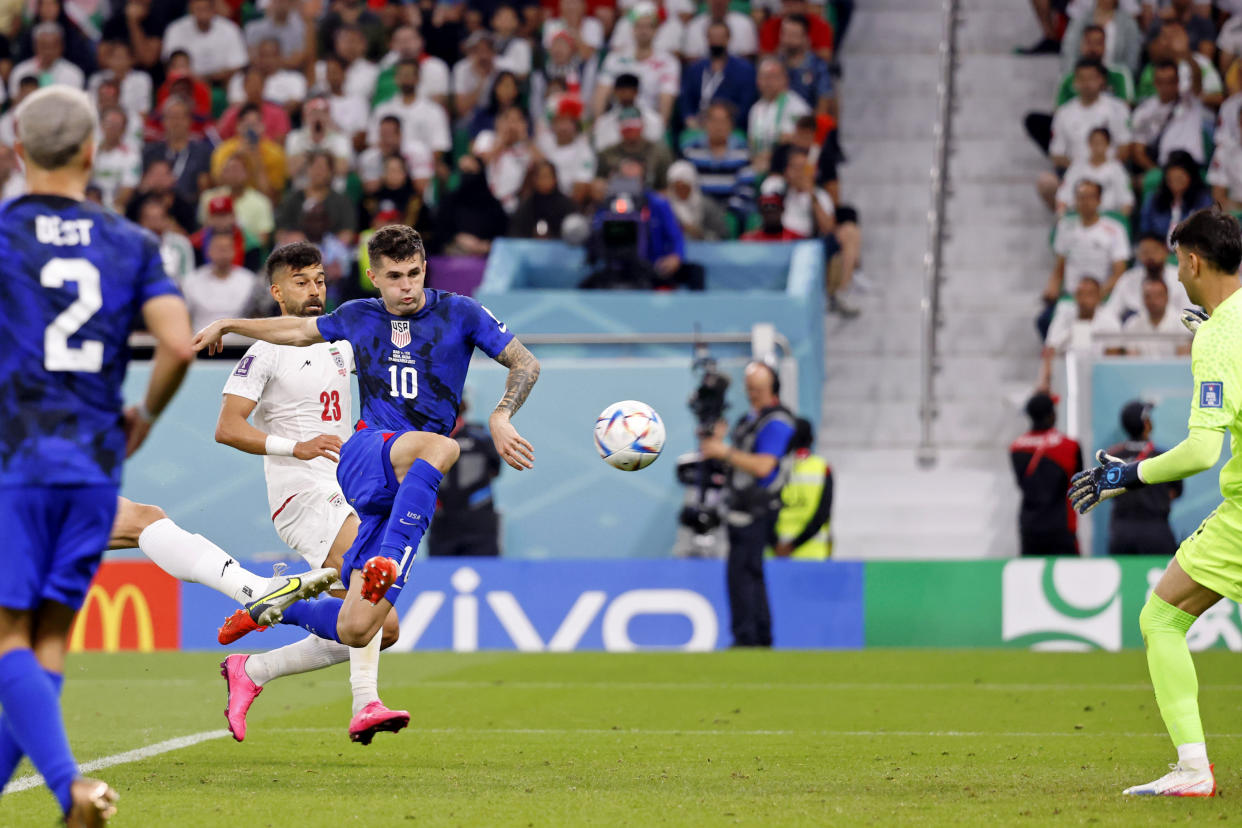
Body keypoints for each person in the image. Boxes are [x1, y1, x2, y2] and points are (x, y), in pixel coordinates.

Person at [191, 226, 541, 677]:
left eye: (414, 273)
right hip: (366, 452)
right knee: (441, 445)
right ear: (373, 277)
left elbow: (525, 362)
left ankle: (270, 612)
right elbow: (297, 330)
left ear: (425, 268)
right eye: (395, 276)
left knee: (367, 626)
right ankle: (388, 565)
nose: (407, 285)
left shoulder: (462, 313)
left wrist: (501, 415)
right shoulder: (358, 317)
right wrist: (229, 323)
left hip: (407, 476)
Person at [0, 85, 196, 825]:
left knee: (8, 637)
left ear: (18, 152)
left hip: (14, 462)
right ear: (90, 152)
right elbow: (178, 343)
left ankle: (70, 788)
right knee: (46, 641)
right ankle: (65, 791)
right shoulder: (131, 243)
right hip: (92, 467)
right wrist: (143, 413)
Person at [1068, 206, 1242, 796]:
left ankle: (1194, 770)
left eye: (1177, 262)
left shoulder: (1218, 336)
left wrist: (1127, 476)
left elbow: (1199, 453)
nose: (1176, 274)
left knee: (1161, 617)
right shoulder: (1224, 324)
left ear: (1193, 260)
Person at [214, 242, 406, 744]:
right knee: (368, 588)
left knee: (379, 628)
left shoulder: (341, 344)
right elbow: (228, 428)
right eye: (301, 281)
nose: (314, 289)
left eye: (319, 279)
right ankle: (366, 703)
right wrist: (293, 446)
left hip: (346, 489)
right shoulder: (265, 351)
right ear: (277, 292)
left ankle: (254, 667)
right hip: (300, 493)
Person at [698, 361, 795, 647]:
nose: (752, 394)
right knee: (745, 574)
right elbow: (735, 461)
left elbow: (764, 467)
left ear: (772, 388)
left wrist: (724, 451)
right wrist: (715, 442)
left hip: (760, 509)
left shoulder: (777, 422)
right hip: (739, 507)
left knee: (744, 574)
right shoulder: (748, 420)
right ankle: (755, 636)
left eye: (758, 389)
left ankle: (749, 637)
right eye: (749, 389)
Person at [1103, 400, 1184, 556]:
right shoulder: (1163, 456)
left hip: (1121, 533)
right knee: (1161, 579)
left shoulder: (1112, 455)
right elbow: (1175, 492)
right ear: (1146, 424)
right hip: (1156, 533)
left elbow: (1105, 488)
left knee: (1125, 579)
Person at [1010, 391, 1083, 556]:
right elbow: (1078, 480)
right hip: (1062, 527)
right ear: (1051, 415)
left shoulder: (1016, 447)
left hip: (1029, 526)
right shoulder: (1070, 446)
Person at [427, 399, 504, 557]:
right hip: (442, 521)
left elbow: (495, 469)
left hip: (479, 519)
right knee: (439, 575)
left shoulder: (480, 437)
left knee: (485, 574)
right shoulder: (429, 440)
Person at [772, 417, 832, 560]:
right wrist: (795, 545)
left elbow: (763, 509)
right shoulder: (822, 467)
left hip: (776, 552)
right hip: (813, 552)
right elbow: (823, 513)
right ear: (811, 439)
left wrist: (775, 543)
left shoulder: (772, 466)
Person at [1121, 277, 1193, 356]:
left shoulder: (1182, 323)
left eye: (1158, 296)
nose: (1153, 301)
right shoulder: (1132, 324)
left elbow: (1182, 360)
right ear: (1143, 299)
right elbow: (1132, 362)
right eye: (1148, 296)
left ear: (1167, 297)